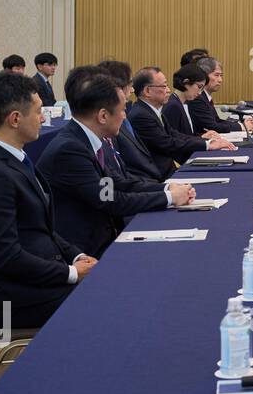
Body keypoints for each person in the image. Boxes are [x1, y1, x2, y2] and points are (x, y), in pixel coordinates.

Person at [0, 72, 96, 328]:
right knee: (111, 301)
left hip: (37, 281)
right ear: (15, 119)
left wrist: (77, 257)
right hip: (18, 300)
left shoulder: (15, 159)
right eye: (39, 111)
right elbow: (6, 256)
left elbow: (42, 230)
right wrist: (72, 273)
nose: (43, 118)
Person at [38, 67, 192, 257]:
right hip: (85, 249)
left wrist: (166, 189)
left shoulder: (88, 139)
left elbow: (117, 183)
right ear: (103, 116)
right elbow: (109, 199)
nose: (125, 116)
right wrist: (169, 198)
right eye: (122, 110)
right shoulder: (70, 149)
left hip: (103, 233)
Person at [128, 67, 229, 169]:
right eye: (163, 86)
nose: (168, 90)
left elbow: (174, 134)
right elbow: (168, 143)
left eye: (167, 85)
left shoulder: (151, 111)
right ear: (147, 91)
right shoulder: (141, 115)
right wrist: (206, 144)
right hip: (161, 173)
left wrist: (204, 141)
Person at [98, 59, 168, 182]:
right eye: (130, 85)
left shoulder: (119, 121)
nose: (132, 90)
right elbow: (110, 193)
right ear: (116, 88)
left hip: (148, 182)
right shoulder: (107, 131)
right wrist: (164, 192)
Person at [164, 63, 238, 144]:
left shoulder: (182, 103)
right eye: (199, 87)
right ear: (186, 83)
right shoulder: (173, 105)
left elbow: (186, 135)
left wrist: (202, 136)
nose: (199, 93)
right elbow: (174, 140)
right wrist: (201, 140)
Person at [189, 56, 251, 134]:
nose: (220, 80)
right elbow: (212, 126)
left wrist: (240, 124)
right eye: (216, 75)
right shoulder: (197, 98)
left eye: (221, 75)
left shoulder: (205, 96)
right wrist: (242, 126)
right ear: (203, 76)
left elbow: (217, 121)